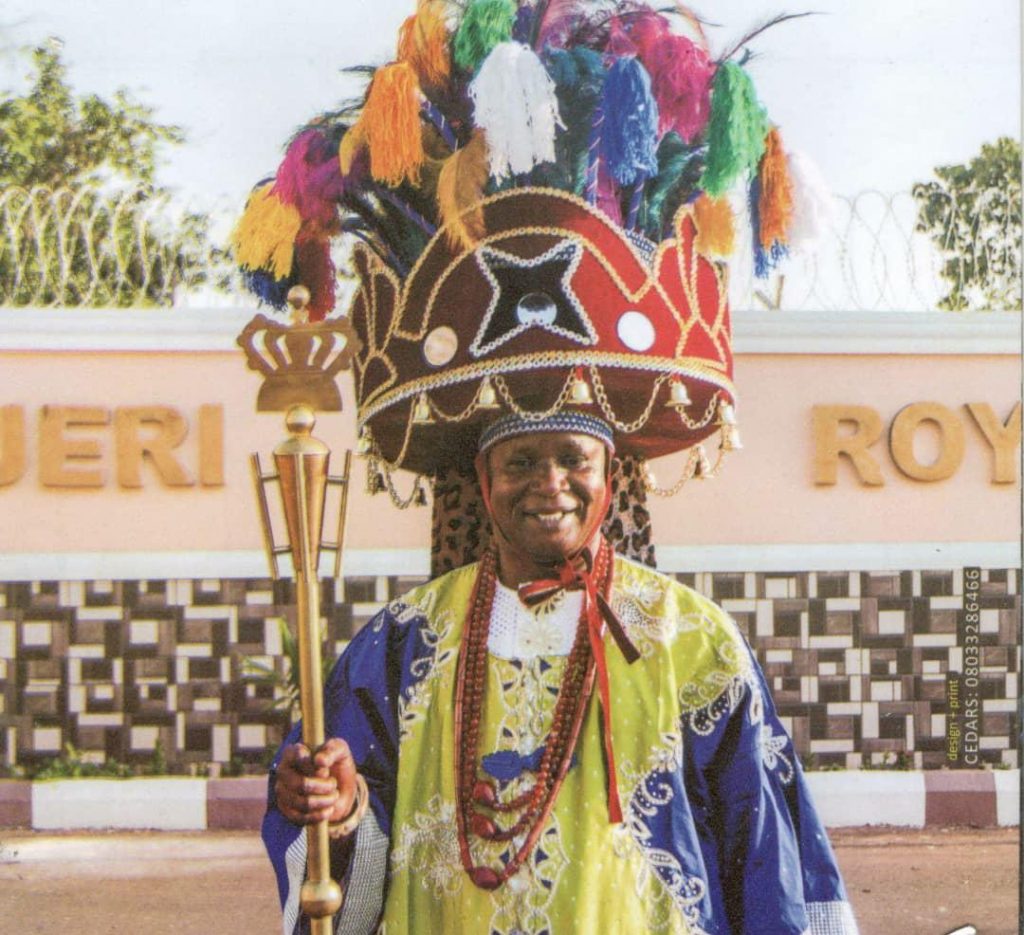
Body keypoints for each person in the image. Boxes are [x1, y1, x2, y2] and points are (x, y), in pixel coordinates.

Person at [263, 412, 859, 934]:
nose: (550, 483)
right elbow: (344, 822)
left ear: (609, 474)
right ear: (483, 479)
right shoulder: (403, 639)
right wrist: (337, 807)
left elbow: (764, 847)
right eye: (521, 461)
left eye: (574, 459)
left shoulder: (694, 638)